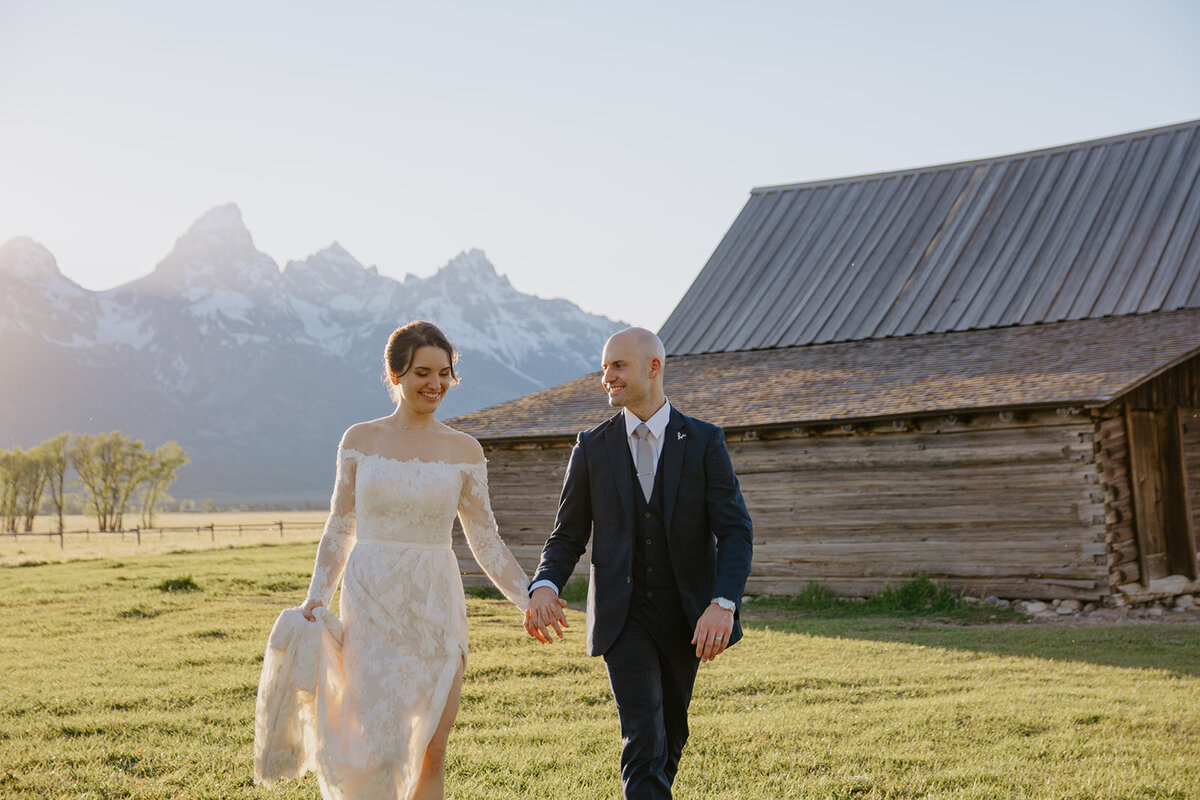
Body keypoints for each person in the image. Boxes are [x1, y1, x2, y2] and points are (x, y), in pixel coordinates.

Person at [254, 320, 544, 800]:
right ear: (395, 375)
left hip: (435, 604)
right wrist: (316, 596)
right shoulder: (360, 440)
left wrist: (527, 598)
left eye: (445, 373)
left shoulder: (464, 450)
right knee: (378, 745)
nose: (435, 384)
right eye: (422, 372)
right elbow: (340, 525)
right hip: (371, 604)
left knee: (432, 744)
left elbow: (486, 539)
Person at [525, 327, 754, 800]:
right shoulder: (592, 447)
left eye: (617, 365)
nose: (606, 376)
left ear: (654, 367)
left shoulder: (706, 441)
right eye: (604, 366)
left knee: (671, 734)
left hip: (687, 616)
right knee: (644, 737)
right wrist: (545, 584)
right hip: (622, 617)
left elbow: (735, 531)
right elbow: (567, 535)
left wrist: (724, 603)